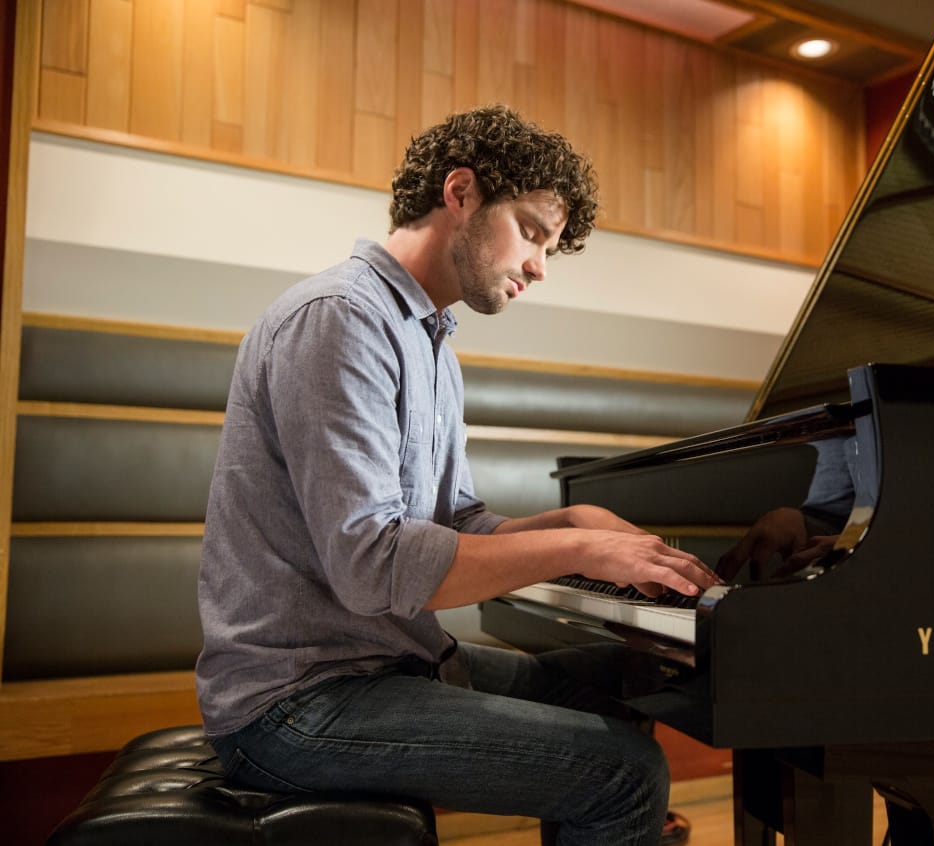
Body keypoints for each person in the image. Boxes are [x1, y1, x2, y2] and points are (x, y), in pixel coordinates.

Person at [195, 104, 719, 846]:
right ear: (461, 193)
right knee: (622, 772)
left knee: (620, 685)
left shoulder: (428, 338)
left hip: (381, 665)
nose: (539, 265)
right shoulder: (340, 318)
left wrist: (569, 524)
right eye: (533, 233)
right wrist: (580, 554)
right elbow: (371, 566)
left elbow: (457, 521)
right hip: (296, 701)